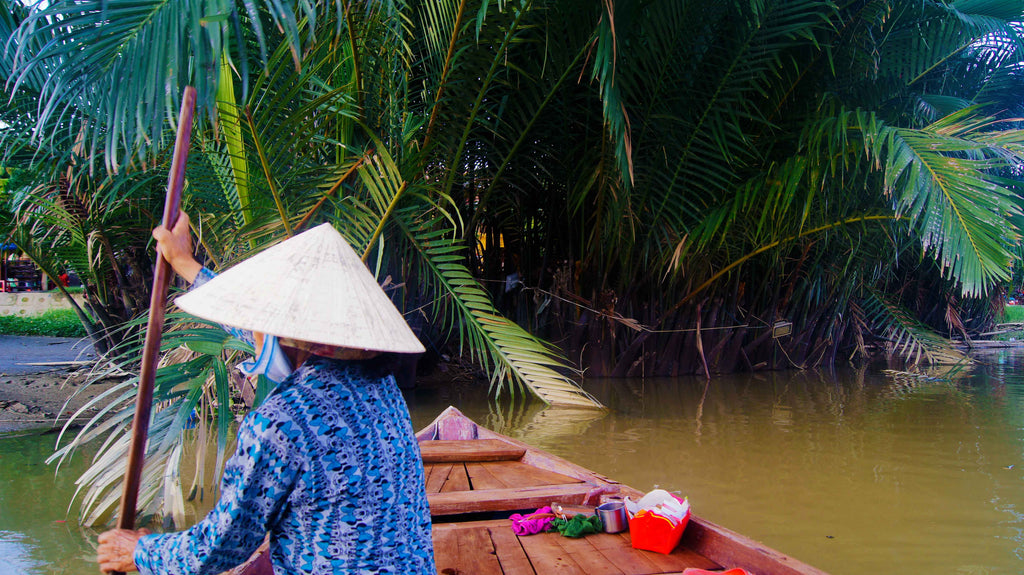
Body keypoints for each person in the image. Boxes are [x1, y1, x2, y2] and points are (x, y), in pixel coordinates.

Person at [97, 212, 435, 574]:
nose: (253, 334)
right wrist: (185, 264)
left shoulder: (282, 421)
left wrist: (140, 551)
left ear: (290, 335)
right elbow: (261, 333)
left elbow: (221, 546)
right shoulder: (380, 385)